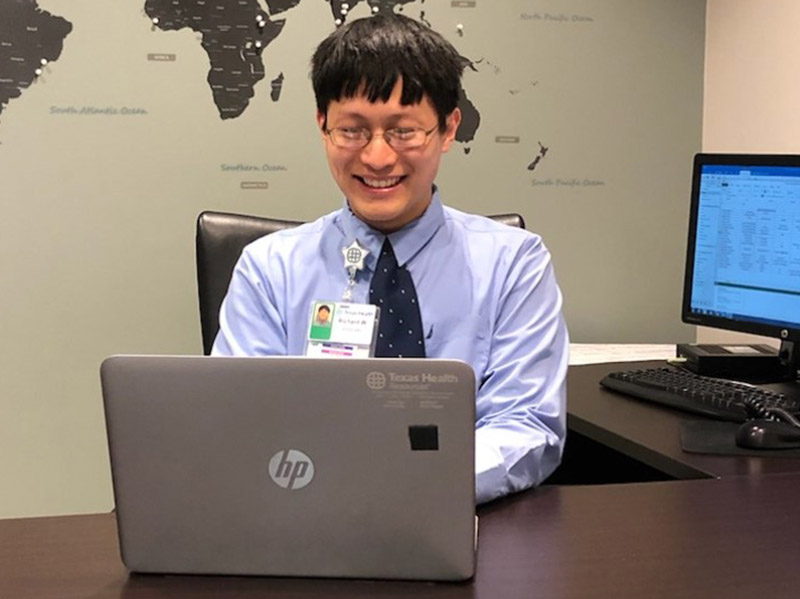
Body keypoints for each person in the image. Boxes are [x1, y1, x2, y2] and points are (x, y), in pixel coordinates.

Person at [213, 13, 569, 504]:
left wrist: (411, 483)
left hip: (456, 513)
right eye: (352, 130)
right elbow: (242, 421)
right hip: (306, 514)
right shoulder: (268, 270)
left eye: (404, 131)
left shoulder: (514, 264)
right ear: (323, 126)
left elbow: (526, 425)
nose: (378, 158)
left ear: (449, 128)